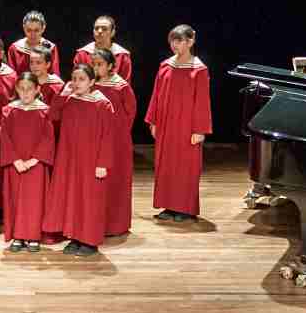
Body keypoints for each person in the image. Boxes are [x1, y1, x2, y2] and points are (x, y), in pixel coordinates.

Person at [41, 64, 113, 256]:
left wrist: (103, 163)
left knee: (89, 199)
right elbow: (52, 115)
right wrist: (63, 94)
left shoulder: (102, 104)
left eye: (82, 79)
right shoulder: (70, 100)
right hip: (70, 159)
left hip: (91, 160)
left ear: (92, 82)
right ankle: (75, 236)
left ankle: (90, 241)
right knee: (72, 198)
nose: (77, 83)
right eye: (74, 79)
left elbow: (108, 136)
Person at [144, 25, 211, 222]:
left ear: (190, 41)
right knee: (166, 164)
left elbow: (202, 102)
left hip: (187, 126)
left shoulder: (198, 69)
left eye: (179, 40)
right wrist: (153, 121)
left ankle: (185, 208)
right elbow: (156, 94)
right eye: (172, 40)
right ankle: (169, 205)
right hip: (166, 124)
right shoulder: (165, 66)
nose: (174, 44)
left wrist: (200, 129)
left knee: (185, 166)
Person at [0, 73, 56, 252]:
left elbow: (48, 138)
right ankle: (17, 236)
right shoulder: (9, 110)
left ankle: (33, 236)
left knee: (34, 200)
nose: (25, 93)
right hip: (15, 163)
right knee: (15, 198)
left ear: (37, 89)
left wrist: (34, 160)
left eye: (29, 89)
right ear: (16, 89)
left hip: (36, 164)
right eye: (21, 89)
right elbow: (5, 137)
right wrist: (15, 159)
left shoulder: (44, 111)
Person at [91, 48, 136, 238]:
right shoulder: (90, 84)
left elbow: (130, 112)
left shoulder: (121, 86)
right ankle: (95, 223)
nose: (96, 68)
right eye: (94, 64)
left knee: (116, 181)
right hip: (94, 141)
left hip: (117, 142)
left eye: (100, 64)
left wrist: (116, 135)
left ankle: (115, 225)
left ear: (110, 66)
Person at [72, 14, 133, 81]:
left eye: (104, 29)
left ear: (112, 32)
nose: (99, 31)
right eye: (96, 28)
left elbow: (125, 84)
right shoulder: (82, 54)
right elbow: (76, 80)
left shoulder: (123, 56)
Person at [7, 10, 61, 79]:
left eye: (36, 30)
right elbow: (12, 77)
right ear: (24, 28)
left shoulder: (51, 48)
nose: (32, 34)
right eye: (29, 30)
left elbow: (54, 75)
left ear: (43, 28)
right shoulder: (15, 48)